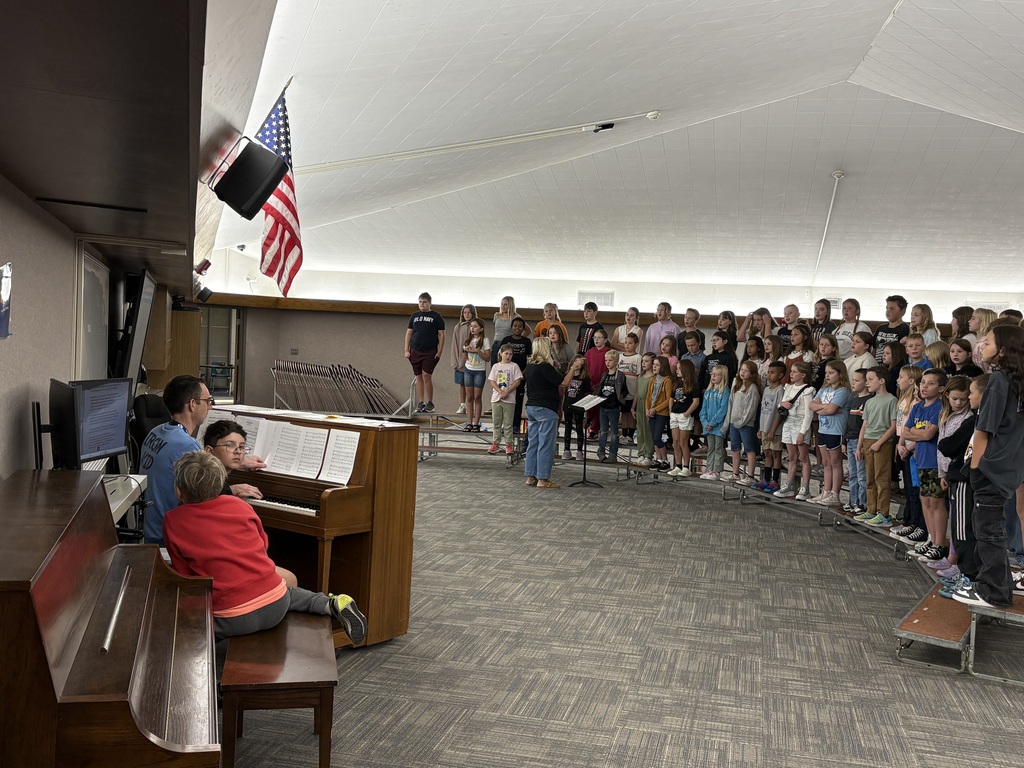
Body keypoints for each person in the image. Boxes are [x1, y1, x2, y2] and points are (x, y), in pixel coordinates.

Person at [162, 451, 366, 645]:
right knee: (290, 593)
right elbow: (263, 545)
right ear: (220, 484)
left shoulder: (173, 520)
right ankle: (330, 603)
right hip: (276, 606)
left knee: (183, 622)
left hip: (230, 619)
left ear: (178, 490)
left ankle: (209, 663)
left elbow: (186, 577)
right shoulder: (240, 505)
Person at [140, 375, 266, 546]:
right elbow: (209, 491)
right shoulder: (186, 444)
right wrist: (233, 489)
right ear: (193, 404)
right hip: (167, 538)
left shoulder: (157, 432)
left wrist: (240, 462)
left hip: (149, 530)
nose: (210, 406)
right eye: (208, 401)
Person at [952, 325, 1024, 607]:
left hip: (990, 467)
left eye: (989, 342)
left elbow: (984, 429)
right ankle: (999, 586)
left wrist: (976, 467)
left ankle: (993, 591)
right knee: (994, 529)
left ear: (1003, 351)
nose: (982, 346)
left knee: (987, 531)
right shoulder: (1017, 382)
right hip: (1010, 467)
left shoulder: (998, 381)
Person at [936, 376, 986, 592]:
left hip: (965, 479)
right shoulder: (975, 419)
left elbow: (948, 446)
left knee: (963, 530)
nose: (967, 399)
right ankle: (967, 573)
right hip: (960, 477)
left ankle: (968, 575)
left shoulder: (974, 420)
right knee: (963, 528)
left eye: (971, 394)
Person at [523, 337, 568, 489]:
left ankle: (530, 476)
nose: (551, 348)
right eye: (549, 346)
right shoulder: (545, 367)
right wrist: (573, 369)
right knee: (546, 445)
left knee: (533, 443)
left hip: (531, 407)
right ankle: (542, 479)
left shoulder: (530, 366)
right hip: (546, 408)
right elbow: (563, 382)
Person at [856, 367, 898, 525]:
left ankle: (883, 513)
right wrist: (859, 446)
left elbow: (893, 427)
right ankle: (871, 509)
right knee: (870, 477)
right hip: (868, 441)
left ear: (882, 381)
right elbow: (864, 426)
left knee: (882, 478)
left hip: (882, 442)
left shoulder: (891, 400)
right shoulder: (869, 402)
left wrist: (879, 443)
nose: (867, 383)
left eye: (870, 379)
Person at [808, 360, 851, 506]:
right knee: (825, 462)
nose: (827, 375)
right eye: (826, 373)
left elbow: (831, 410)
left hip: (835, 431)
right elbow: (811, 405)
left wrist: (823, 408)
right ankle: (826, 491)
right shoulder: (824, 389)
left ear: (840, 374)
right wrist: (825, 407)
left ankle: (835, 494)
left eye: (831, 373)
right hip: (823, 429)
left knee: (835, 463)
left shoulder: (843, 391)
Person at [773, 361, 815, 500]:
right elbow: (781, 403)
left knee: (803, 457)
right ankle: (790, 485)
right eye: (791, 371)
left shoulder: (807, 390)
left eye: (794, 372)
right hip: (789, 423)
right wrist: (782, 404)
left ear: (803, 375)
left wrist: (802, 432)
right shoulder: (789, 387)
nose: (791, 374)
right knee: (792, 457)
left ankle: (805, 487)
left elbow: (809, 413)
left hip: (800, 423)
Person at [201, 420, 265, 500]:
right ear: (210, 451)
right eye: (230, 445)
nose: (238, 451)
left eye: (241, 447)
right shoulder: (199, 477)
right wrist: (231, 490)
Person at [404, 292, 445, 413]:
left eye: (424, 302)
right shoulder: (414, 316)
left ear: (429, 303)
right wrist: (406, 349)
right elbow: (409, 333)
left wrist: (440, 351)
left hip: (430, 350)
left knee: (426, 375)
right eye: (420, 302)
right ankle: (421, 402)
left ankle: (430, 402)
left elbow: (442, 335)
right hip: (415, 350)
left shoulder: (436, 316)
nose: (422, 304)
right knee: (418, 376)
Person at [722, 360, 761, 485]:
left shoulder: (753, 388)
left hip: (746, 424)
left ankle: (750, 476)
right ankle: (735, 473)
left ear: (752, 373)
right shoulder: (736, 383)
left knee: (749, 449)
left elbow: (751, 409)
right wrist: (729, 421)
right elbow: (731, 403)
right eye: (742, 370)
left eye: (746, 370)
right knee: (735, 448)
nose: (743, 372)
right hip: (734, 422)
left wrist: (742, 421)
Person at [754, 361, 787, 493]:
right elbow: (763, 410)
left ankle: (775, 481)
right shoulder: (767, 390)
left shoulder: (781, 390)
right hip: (765, 427)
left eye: (772, 373)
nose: (768, 375)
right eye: (768, 372)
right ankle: (766, 479)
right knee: (767, 453)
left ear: (780, 375)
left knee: (775, 454)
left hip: (774, 429)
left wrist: (773, 430)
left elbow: (780, 412)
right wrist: (761, 428)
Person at [843, 368, 871, 515]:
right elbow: (848, 422)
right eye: (852, 380)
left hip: (860, 441)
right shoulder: (853, 400)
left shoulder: (869, 401)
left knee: (861, 475)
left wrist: (860, 445)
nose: (853, 383)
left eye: (857, 380)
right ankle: (853, 501)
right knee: (852, 474)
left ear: (866, 383)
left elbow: (865, 426)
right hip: (850, 440)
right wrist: (844, 441)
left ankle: (862, 503)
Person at [500, 317, 532, 438]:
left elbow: (530, 359)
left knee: (518, 401)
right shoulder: (506, 340)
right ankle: (506, 424)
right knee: (505, 400)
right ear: (511, 327)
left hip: (520, 376)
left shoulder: (527, 342)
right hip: (506, 376)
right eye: (515, 326)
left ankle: (515, 425)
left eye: (520, 326)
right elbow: (500, 357)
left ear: (523, 328)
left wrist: (523, 373)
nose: (517, 328)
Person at [487, 344, 522, 455]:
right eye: (506, 353)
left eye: (510, 354)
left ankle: (508, 444)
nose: (508, 356)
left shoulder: (514, 366)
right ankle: (495, 443)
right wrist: (500, 391)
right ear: (501, 353)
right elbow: (492, 381)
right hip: (497, 398)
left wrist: (507, 391)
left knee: (508, 423)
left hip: (509, 399)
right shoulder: (496, 366)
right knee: (496, 423)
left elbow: (517, 381)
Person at [667, 359, 700, 477]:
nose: (677, 371)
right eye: (676, 369)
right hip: (675, 414)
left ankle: (686, 467)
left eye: (679, 369)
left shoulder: (693, 385)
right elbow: (671, 398)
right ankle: (678, 465)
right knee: (675, 442)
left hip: (685, 415)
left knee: (683, 442)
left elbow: (696, 401)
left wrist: (687, 413)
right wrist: (670, 409)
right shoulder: (676, 384)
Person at [698, 365, 730, 480]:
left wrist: (712, 423)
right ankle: (709, 468)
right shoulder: (708, 391)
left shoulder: (725, 391)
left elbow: (723, 410)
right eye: (712, 374)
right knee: (710, 448)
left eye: (717, 375)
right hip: (708, 426)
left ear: (723, 376)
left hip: (718, 426)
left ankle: (716, 470)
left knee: (718, 448)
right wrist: (705, 423)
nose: (713, 376)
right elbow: (703, 409)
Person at [596, 350, 628, 463]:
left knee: (614, 432)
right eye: (606, 360)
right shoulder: (604, 375)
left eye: (610, 360)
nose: (607, 362)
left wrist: (620, 401)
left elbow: (624, 390)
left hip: (613, 407)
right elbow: (600, 388)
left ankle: (613, 454)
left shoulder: (620, 375)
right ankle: (601, 451)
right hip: (603, 406)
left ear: (616, 362)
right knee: (603, 431)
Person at [645, 355, 673, 471]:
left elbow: (668, 399)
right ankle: (659, 459)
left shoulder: (667, 380)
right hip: (652, 412)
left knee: (657, 437)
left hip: (661, 413)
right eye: (654, 364)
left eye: (657, 365)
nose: (654, 367)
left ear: (663, 366)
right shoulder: (653, 379)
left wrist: (656, 409)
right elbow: (648, 396)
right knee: (653, 437)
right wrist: (647, 409)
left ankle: (665, 460)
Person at [461, 318, 490, 432]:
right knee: (469, 397)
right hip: (468, 369)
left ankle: (476, 423)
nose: (472, 328)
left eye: (475, 326)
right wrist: (466, 350)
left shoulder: (485, 340)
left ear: (481, 328)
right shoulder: (468, 340)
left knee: (477, 397)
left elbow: (487, 358)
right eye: (471, 326)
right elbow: (465, 355)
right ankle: (469, 422)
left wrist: (477, 350)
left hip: (479, 370)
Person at [561, 355, 590, 462]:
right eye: (575, 362)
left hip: (579, 405)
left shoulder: (585, 378)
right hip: (568, 403)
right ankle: (566, 449)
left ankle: (579, 450)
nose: (577, 364)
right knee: (567, 426)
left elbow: (587, 391)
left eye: (579, 363)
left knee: (579, 427)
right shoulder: (568, 376)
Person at [631, 353, 656, 468]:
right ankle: (641, 453)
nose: (643, 363)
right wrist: (633, 407)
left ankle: (648, 455)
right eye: (643, 361)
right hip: (640, 404)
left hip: (648, 404)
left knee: (648, 430)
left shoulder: (654, 377)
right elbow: (637, 393)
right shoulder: (640, 376)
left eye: (646, 361)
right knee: (640, 429)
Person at [450, 304, 476, 414]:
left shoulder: (475, 326)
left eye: (469, 312)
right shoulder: (458, 327)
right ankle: (462, 405)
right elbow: (455, 344)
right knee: (462, 383)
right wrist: (456, 360)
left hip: (472, 359)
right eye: (465, 312)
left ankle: (471, 405)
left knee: (471, 384)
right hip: (460, 359)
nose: (467, 314)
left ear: (473, 313)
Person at [491, 296, 531, 365]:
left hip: (508, 344)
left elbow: (528, 330)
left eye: (505, 304)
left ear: (510, 305)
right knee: (495, 365)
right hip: (496, 343)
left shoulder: (516, 316)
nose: (503, 306)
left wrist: (518, 340)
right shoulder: (496, 315)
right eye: (502, 304)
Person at [618, 333, 642, 445]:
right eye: (626, 343)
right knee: (624, 413)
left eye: (630, 343)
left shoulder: (638, 358)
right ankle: (623, 434)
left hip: (633, 390)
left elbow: (639, 375)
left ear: (636, 344)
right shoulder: (620, 357)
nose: (627, 345)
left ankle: (630, 435)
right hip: (623, 392)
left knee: (631, 413)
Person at [874, 295, 909, 364]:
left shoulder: (905, 328)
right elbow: (874, 348)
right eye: (887, 308)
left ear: (903, 311)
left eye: (892, 309)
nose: (888, 311)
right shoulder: (880, 328)